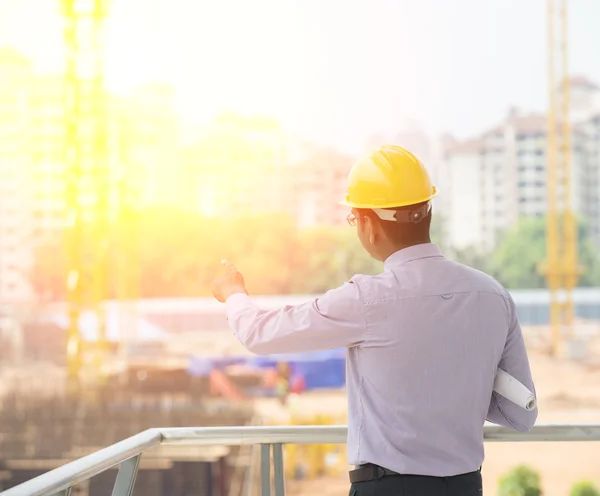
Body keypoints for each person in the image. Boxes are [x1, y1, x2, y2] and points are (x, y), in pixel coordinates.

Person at [211, 145, 537, 495]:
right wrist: (460, 373)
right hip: (465, 487)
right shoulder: (492, 296)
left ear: (368, 225)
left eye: (354, 219)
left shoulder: (367, 299)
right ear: (426, 211)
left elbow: (260, 334)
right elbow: (521, 414)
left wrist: (234, 294)